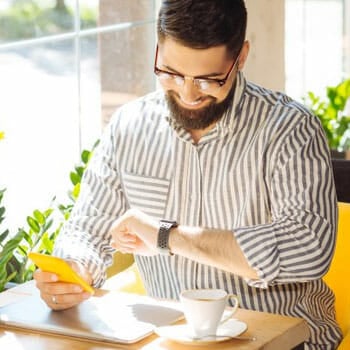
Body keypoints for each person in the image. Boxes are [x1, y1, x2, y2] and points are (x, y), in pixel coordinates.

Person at [33, 1, 342, 349]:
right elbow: (87, 228)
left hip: (286, 343)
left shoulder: (290, 130)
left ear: (241, 57)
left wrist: (167, 236)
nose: (188, 93)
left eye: (209, 80)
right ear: (157, 49)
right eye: (171, 72)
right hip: (172, 341)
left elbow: (307, 249)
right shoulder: (129, 127)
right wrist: (73, 270)